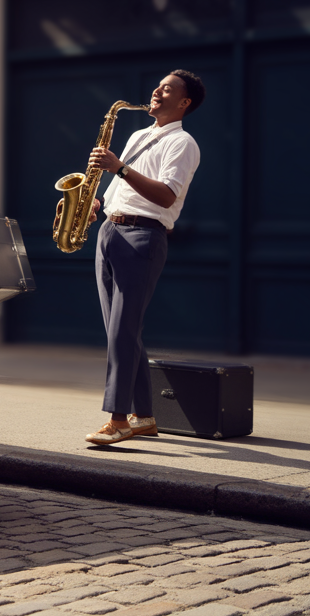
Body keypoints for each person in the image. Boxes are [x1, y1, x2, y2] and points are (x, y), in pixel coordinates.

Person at [84, 70, 205, 445]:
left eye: (167, 89)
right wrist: (93, 204)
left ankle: (119, 420)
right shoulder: (139, 135)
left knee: (122, 331)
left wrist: (119, 166)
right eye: (158, 86)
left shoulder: (184, 143)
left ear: (184, 102)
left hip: (143, 237)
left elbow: (167, 195)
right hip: (110, 231)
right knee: (121, 332)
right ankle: (146, 417)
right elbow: (122, 188)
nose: (156, 91)